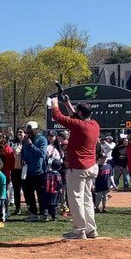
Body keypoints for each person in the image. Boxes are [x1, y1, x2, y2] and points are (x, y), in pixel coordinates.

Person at [50, 97, 100, 239]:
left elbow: (57, 116)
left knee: (76, 199)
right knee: (87, 199)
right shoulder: (94, 124)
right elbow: (77, 117)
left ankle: (79, 231)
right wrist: (67, 103)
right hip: (91, 166)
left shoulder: (79, 125)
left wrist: (55, 103)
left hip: (78, 167)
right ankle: (91, 230)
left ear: (80, 113)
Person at [21, 121, 48, 222]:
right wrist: (22, 159)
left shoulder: (42, 139)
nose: (29, 132)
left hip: (39, 171)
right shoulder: (25, 140)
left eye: (31, 130)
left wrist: (31, 145)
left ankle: (44, 214)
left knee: (41, 194)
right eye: (28, 130)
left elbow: (42, 154)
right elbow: (24, 152)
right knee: (29, 194)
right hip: (28, 171)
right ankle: (33, 213)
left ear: (36, 130)